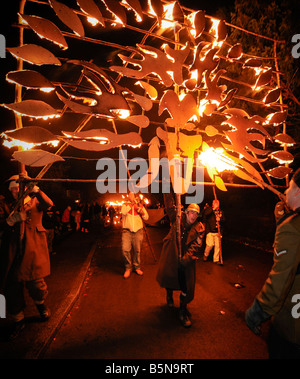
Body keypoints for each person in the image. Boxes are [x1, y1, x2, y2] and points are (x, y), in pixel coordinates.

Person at [245, 168, 300, 359]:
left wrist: (258, 310)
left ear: (298, 191)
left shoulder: (292, 228)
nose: (285, 191)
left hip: (293, 329)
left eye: (289, 187)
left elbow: (281, 278)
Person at [0, 175, 53, 340]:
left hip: (32, 249)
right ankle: (18, 320)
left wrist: (36, 190)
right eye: (12, 189)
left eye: (18, 187)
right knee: (12, 287)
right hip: (12, 252)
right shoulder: (6, 205)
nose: (15, 191)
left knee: (36, 284)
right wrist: (9, 222)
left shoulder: (35, 200)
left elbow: (48, 204)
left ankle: (41, 306)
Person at [156, 194, 205, 328]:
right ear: (187, 213)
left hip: (186, 259)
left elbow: (196, 247)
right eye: (192, 213)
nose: (193, 216)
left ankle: (182, 311)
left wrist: (185, 259)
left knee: (186, 286)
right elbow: (169, 206)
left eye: (196, 214)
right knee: (170, 277)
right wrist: (167, 188)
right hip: (172, 253)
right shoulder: (177, 218)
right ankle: (169, 294)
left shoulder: (200, 228)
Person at [121, 192, 149, 279]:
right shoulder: (125, 205)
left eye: (133, 195)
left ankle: (137, 267)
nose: (131, 196)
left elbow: (146, 217)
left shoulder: (140, 205)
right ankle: (128, 268)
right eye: (130, 195)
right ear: (128, 197)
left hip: (138, 231)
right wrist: (131, 205)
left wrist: (141, 211)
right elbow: (123, 212)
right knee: (125, 249)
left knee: (137, 250)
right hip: (127, 231)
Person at [202, 199, 224, 264]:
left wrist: (220, 219)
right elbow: (205, 213)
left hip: (218, 232)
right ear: (213, 204)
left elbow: (224, 220)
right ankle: (205, 255)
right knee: (210, 245)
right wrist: (213, 208)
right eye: (215, 203)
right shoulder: (209, 210)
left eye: (217, 203)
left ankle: (216, 260)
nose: (216, 204)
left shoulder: (220, 211)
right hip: (210, 231)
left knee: (217, 246)